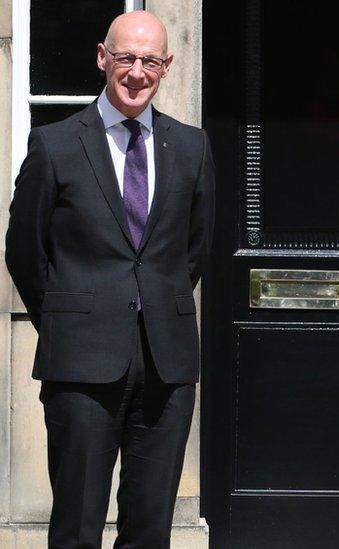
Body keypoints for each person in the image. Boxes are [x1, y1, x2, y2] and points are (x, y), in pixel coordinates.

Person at [5, 11, 214, 548]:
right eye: (126, 58)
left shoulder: (191, 147)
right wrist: (71, 312)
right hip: (80, 362)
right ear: (103, 57)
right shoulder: (54, 145)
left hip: (165, 365)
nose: (137, 72)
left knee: (150, 529)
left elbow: (195, 250)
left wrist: (153, 303)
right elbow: (25, 250)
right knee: (76, 524)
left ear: (166, 67)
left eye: (150, 61)